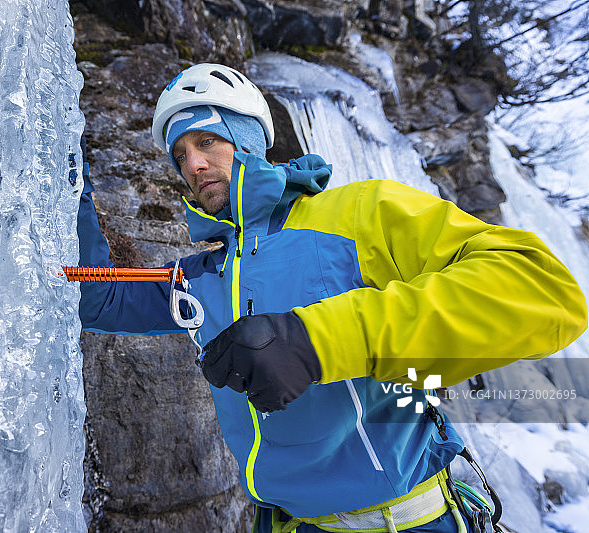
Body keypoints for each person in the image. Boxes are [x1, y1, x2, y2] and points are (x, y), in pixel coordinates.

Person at [76, 63, 588, 533]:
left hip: (404, 523)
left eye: (208, 140)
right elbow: (99, 301)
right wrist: (67, 175)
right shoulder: (206, 273)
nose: (195, 165)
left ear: (250, 139)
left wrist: (318, 340)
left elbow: (543, 289)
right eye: (180, 155)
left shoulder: (359, 213)